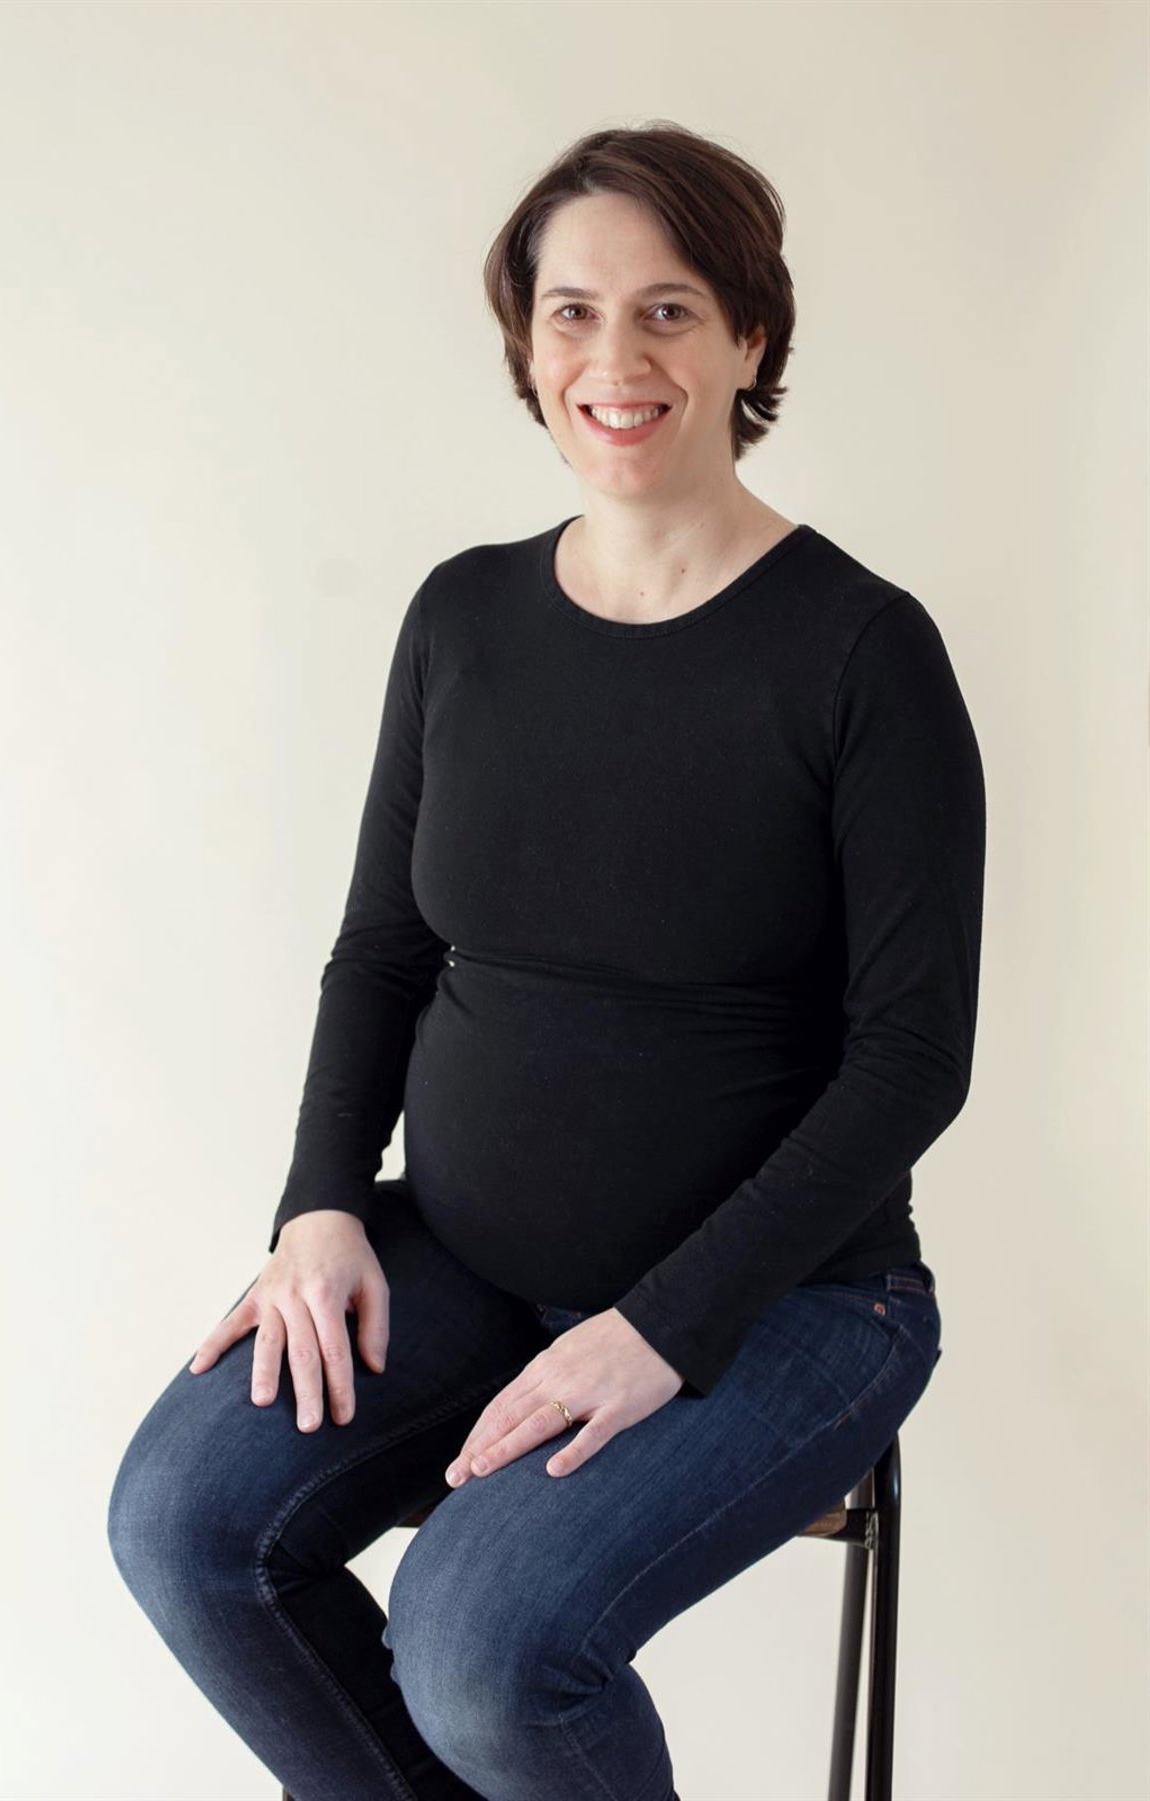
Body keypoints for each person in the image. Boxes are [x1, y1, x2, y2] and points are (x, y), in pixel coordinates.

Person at [107, 121, 985, 1801]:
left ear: (751, 339)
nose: (614, 359)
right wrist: (318, 1205)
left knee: (482, 1649)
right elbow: (383, 949)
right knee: (182, 1526)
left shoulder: (864, 651)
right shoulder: (463, 618)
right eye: (572, 312)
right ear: (526, 343)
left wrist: (665, 1324)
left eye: (669, 311)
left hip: (790, 1303)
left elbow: (913, 1056)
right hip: (464, 1259)